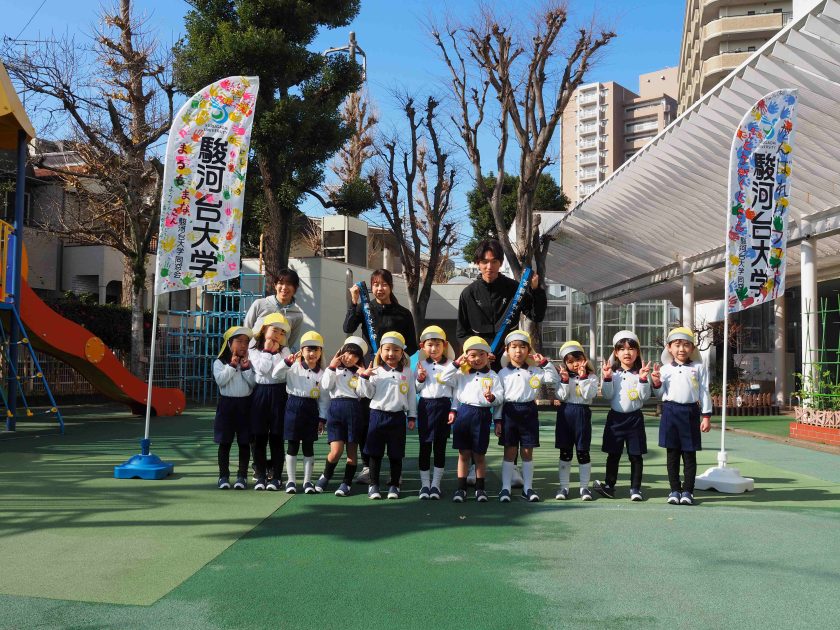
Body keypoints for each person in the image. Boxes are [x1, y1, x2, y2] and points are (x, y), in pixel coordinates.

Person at [456, 239, 546, 487]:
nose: (489, 266)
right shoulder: (468, 293)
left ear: (500, 263)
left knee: (511, 412)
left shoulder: (514, 289)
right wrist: (477, 353)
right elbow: (461, 332)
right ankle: (474, 466)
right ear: (477, 264)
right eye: (484, 261)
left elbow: (536, 315)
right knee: (478, 413)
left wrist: (537, 290)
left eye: (494, 261)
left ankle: (514, 466)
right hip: (478, 363)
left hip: (508, 361)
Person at [344, 269, 417, 485]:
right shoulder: (365, 309)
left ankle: (396, 473)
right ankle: (368, 467)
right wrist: (354, 301)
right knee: (368, 419)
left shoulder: (403, 313)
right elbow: (347, 328)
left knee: (394, 423)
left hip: (395, 372)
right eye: (375, 284)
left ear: (391, 286)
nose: (379, 288)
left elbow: (411, 346)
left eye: (384, 284)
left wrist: (394, 357)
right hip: (371, 370)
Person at [650, 327, 712, 506]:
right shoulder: (664, 369)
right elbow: (660, 393)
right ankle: (674, 490)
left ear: (692, 348)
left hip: (690, 413)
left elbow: (704, 391)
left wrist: (706, 416)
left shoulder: (698, 367)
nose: (681, 349)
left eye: (686, 345)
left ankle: (688, 491)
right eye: (677, 345)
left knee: (689, 454)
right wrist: (655, 382)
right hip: (670, 412)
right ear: (669, 348)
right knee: (672, 454)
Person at [438, 336, 504, 503]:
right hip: (464, 415)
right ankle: (461, 489)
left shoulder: (493, 376)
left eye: (481, 354)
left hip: (482, 416)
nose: (477, 359)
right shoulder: (461, 374)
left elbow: (500, 399)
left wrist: (491, 398)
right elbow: (444, 378)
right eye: (472, 355)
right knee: (463, 454)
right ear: (466, 356)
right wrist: (456, 364)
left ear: (487, 356)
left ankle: (480, 489)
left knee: (479, 455)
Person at [497, 330, 558, 502]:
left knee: (527, 451)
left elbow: (552, 379)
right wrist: (498, 420)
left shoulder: (535, 371)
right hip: (509, 412)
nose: (518, 351)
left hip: (529, 412)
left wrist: (545, 362)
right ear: (507, 350)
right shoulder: (502, 373)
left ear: (529, 350)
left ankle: (528, 488)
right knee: (509, 451)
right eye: (514, 347)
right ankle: (505, 488)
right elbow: (500, 400)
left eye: (522, 347)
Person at [357, 331, 417, 500]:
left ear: (402, 352)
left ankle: (394, 485)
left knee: (395, 454)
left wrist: (412, 416)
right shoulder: (375, 371)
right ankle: (373, 485)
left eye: (396, 350)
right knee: (375, 454)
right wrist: (364, 377)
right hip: (377, 416)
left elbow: (411, 394)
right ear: (380, 352)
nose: (391, 354)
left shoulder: (407, 371)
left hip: (397, 417)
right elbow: (367, 394)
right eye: (387, 349)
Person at [593, 330, 652, 502]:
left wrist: (642, 379)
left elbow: (644, 397)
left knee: (636, 455)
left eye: (631, 348)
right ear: (616, 353)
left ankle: (635, 489)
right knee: (613, 454)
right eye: (622, 349)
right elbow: (607, 395)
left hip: (635, 419)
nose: (627, 352)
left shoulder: (641, 372)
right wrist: (607, 378)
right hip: (615, 419)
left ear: (637, 352)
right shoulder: (613, 373)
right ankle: (609, 486)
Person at [274, 331, 330, 494]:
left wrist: (322, 418)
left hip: (311, 409)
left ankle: (307, 482)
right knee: (292, 445)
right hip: (293, 405)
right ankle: (291, 481)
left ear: (320, 352)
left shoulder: (322, 373)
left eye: (316, 349)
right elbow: (275, 374)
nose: (312, 353)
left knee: (308, 446)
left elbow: (324, 399)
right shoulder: (293, 367)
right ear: (301, 350)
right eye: (308, 349)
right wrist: (286, 362)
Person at [315, 336, 369, 497]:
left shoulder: (359, 374)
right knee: (336, 451)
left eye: (355, 355)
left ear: (359, 359)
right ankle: (326, 475)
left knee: (352, 454)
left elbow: (363, 393)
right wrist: (332, 367)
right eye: (347, 353)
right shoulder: (332, 370)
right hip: (336, 410)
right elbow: (325, 386)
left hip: (354, 410)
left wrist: (364, 377)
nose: (350, 358)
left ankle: (346, 483)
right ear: (341, 352)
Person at [248, 314, 291, 491]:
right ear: (264, 329)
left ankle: (276, 476)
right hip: (260, 393)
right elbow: (262, 369)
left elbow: (278, 375)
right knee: (259, 436)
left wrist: (274, 355)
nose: (277, 336)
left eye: (281, 333)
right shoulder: (254, 349)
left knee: (277, 436)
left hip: (279, 393)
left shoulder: (285, 351)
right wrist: (267, 351)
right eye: (274, 330)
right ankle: (260, 474)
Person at [414, 326, 456, 500]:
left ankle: (436, 485)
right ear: (423, 346)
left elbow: (456, 390)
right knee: (424, 447)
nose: (434, 349)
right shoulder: (421, 364)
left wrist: (453, 409)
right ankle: (425, 485)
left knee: (440, 448)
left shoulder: (452, 365)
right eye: (430, 345)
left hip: (444, 407)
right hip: (425, 407)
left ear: (444, 345)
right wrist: (420, 378)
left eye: (437, 344)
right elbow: (416, 389)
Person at [554, 340, 598, 501]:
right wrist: (564, 381)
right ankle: (564, 487)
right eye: (570, 361)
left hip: (582, 415)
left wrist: (584, 377)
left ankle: (584, 488)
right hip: (565, 415)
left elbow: (589, 395)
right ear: (565, 363)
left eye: (577, 360)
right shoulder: (562, 376)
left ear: (584, 359)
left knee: (582, 451)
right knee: (565, 452)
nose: (574, 364)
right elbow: (561, 396)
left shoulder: (592, 377)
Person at [212, 326, 255, 490]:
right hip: (226, 406)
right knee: (225, 443)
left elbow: (253, 383)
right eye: (239, 341)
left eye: (246, 342)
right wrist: (232, 365)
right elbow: (221, 381)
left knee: (244, 443)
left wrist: (245, 369)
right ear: (229, 343)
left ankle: (242, 477)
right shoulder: (219, 362)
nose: (243, 345)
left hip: (246, 406)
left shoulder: (250, 363)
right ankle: (223, 476)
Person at [244, 268, 306, 350]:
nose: (284, 287)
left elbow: (289, 343)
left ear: (296, 288)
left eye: (289, 284)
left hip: (277, 359)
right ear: (275, 285)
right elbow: (246, 331)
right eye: (281, 283)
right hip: (252, 357)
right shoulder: (259, 304)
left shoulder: (297, 315)